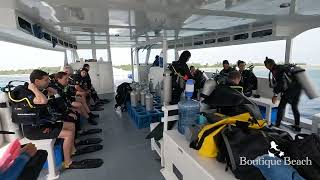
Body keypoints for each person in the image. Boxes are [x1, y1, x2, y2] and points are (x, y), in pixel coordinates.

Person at [10, 69, 94, 169]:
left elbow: (55, 102)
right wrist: (34, 89)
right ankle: (68, 163)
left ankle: (73, 151)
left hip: (42, 123)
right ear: (37, 82)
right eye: (46, 80)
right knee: (68, 134)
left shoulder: (40, 90)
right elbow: (43, 101)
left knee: (71, 125)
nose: (48, 82)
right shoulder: (27, 92)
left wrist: (54, 93)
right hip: (33, 129)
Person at [264, 57, 302, 132]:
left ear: (269, 65)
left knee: (281, 107)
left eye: (266, 65)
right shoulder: (281, 68)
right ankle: (297, 125)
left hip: (290, 90)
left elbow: (280, 84)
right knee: (294, 107)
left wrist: (275, 95)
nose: (266, 67)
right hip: (298, 88)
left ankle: (277, 125)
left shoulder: (276, 70)